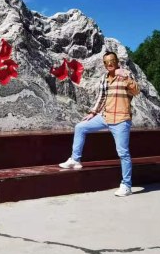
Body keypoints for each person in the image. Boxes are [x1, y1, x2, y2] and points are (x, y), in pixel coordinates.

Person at [59, 51, 140, 196]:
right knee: (80, 127)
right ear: (104, 64)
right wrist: (92, 113)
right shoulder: (104, 78)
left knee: (123, 153)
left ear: (117, 62)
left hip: (121, 120)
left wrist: (126, 78)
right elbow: (101, 97)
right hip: (105, 116)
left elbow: (136, 91)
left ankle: (126, 185)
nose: (110, 64)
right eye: (107, 61)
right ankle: (75, 160)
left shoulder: (125, 74)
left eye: (112, 61)